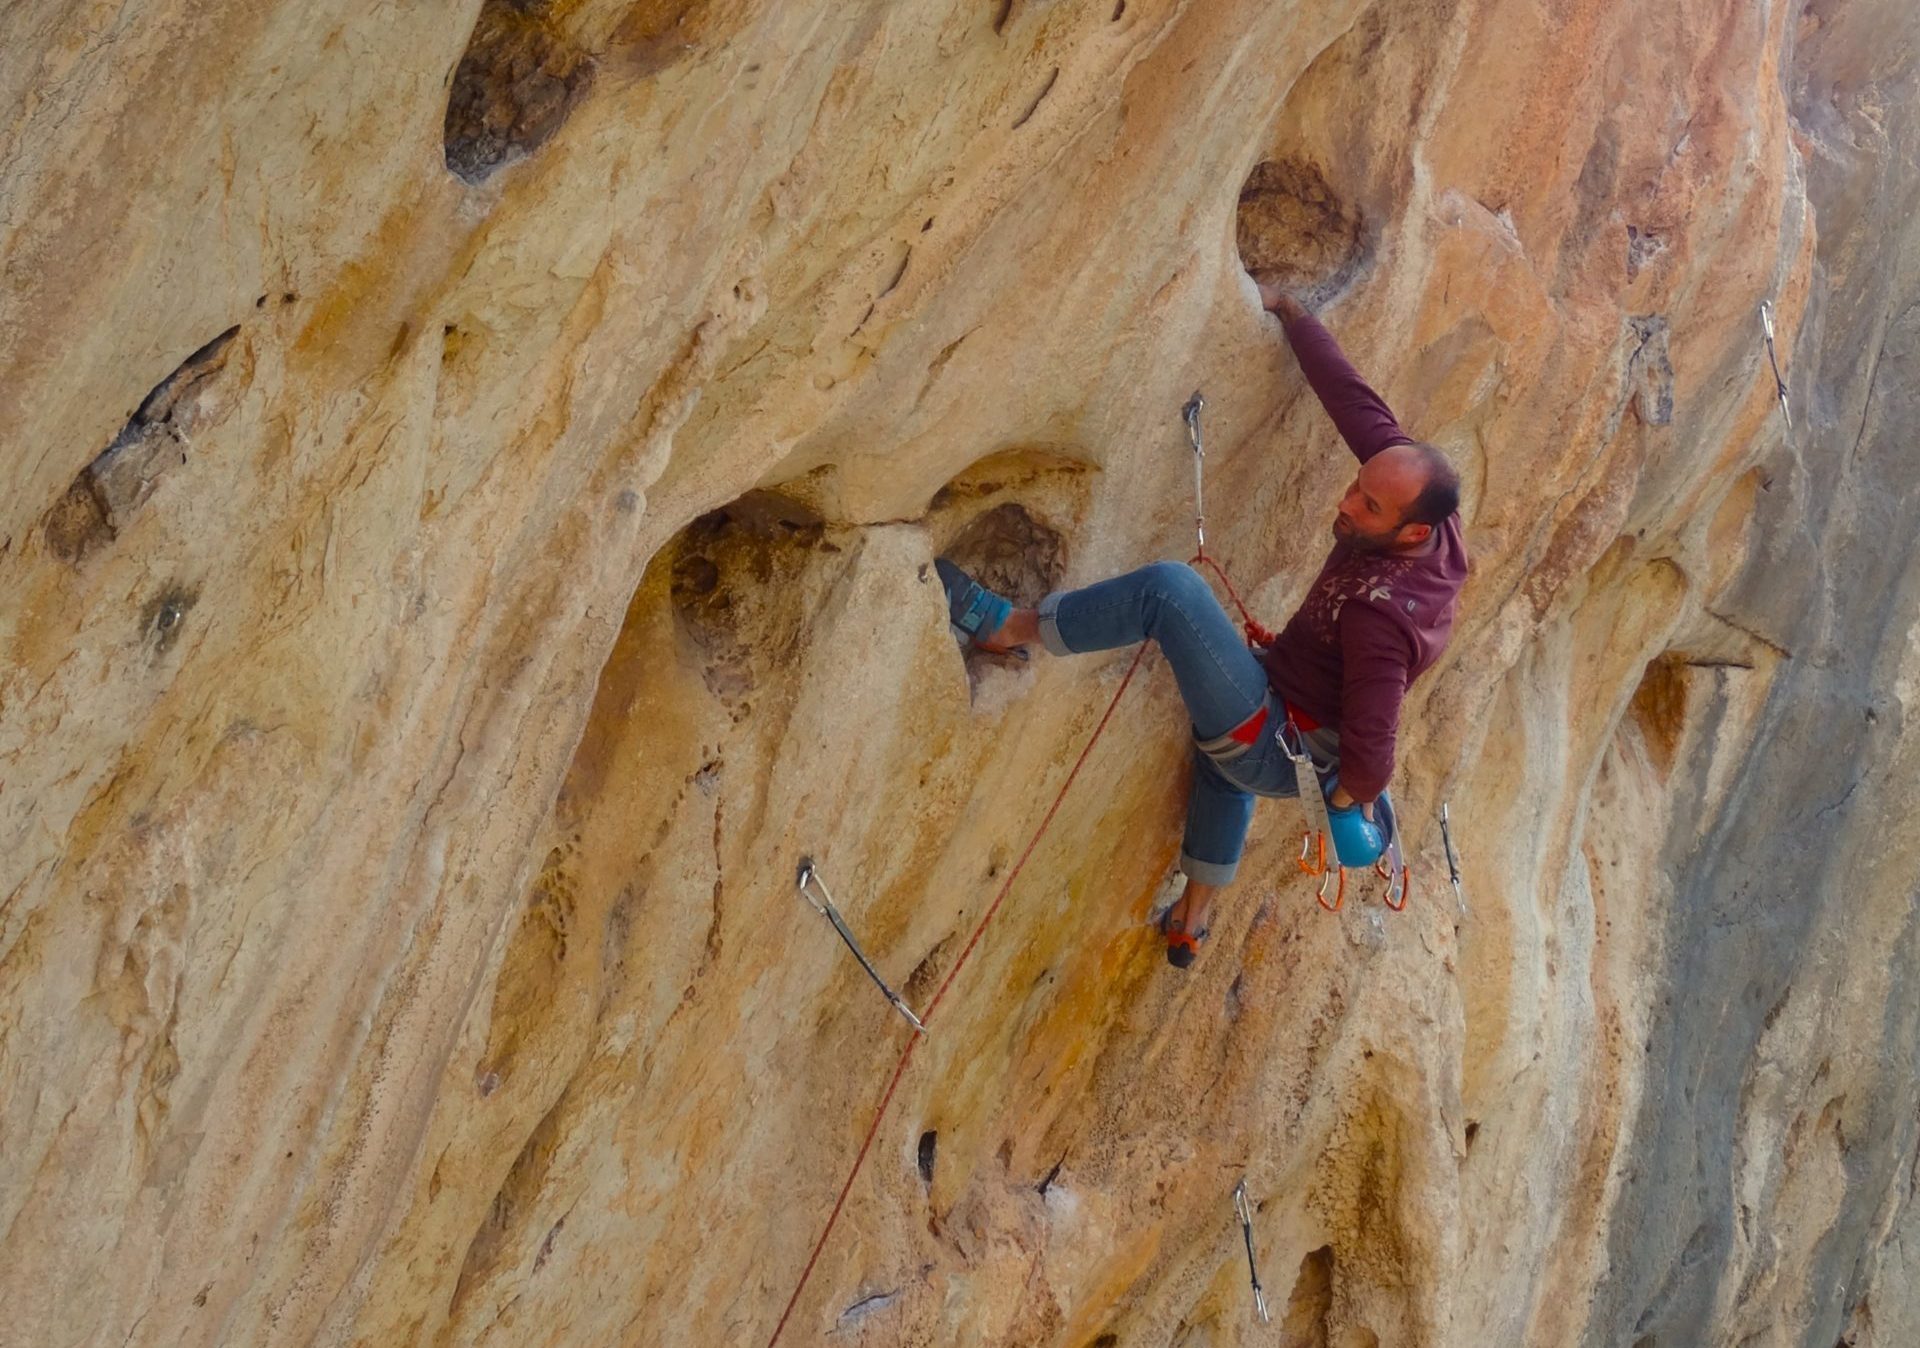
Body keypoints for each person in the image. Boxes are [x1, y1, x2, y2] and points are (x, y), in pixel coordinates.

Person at [937, 281, 1469, 967]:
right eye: (1356, 486)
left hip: (1281, 738)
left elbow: (1370, 762)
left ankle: (1008, 629)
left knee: (1172, 593)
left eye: (1365, 507)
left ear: (1411, 530)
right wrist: (1296, 316)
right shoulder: (1415, 505)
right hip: (1286, 717)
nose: (1346, 504)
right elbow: (1354, 404)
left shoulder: (1385, 619)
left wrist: (1338, 801)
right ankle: (1193, 918)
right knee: (1225, 763)